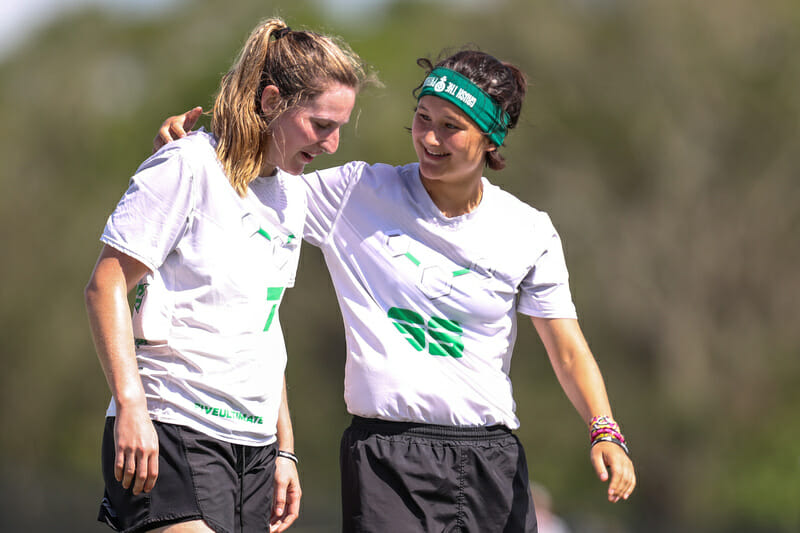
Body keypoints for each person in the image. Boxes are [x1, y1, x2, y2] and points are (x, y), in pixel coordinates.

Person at [155, 48, 636, 532]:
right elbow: (251, 182)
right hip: (389, 458)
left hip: (493, 460)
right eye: (423, 118)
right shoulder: (355, 193)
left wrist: (604, 429)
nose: (429, 138)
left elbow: (568, 350)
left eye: (451, 127)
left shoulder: (529, 230)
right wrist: (196, 149)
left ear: (491, 138)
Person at [85, 18, 368, 533]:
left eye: (340, 127)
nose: (332, 144)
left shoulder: (292, 194)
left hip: (255, 448)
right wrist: (130, 405)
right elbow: (105, 287)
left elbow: (265, 322)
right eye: (321, 124)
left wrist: (286, 449)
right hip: (171, 425)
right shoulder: (187, 164)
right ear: (271, 101)